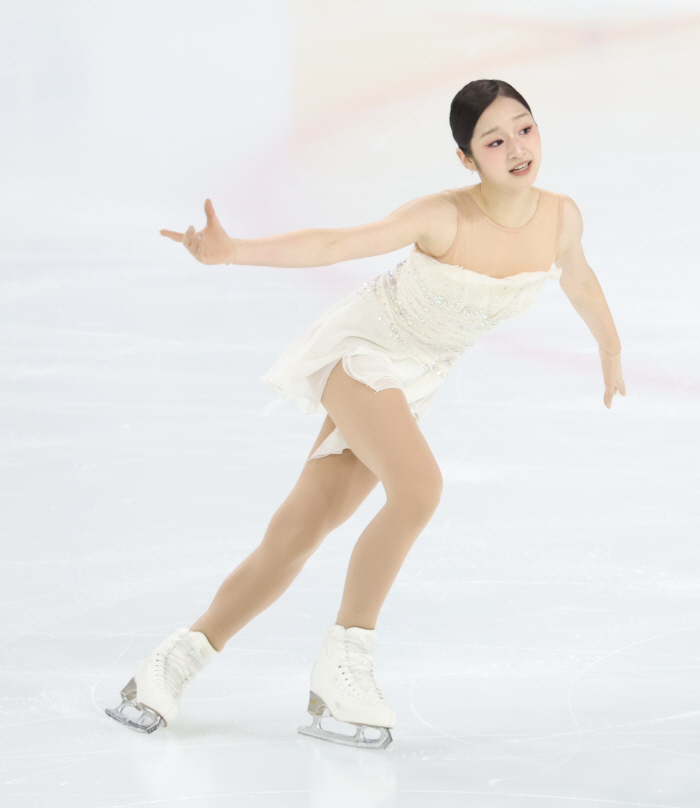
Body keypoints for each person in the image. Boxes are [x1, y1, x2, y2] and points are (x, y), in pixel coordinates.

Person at [105, 79, 625, 749]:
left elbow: (578, 276)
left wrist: (611, 348)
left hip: (416, 380)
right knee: (420, 488)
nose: (518, 148)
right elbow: (334, 245)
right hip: (366, 350)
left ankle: (172, 662)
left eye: (525, 128)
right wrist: (234, 251)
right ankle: (344, 666)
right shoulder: (443, 216)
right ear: (466, 157)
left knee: (299, 531)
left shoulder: (560, 218)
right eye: (495, 141)